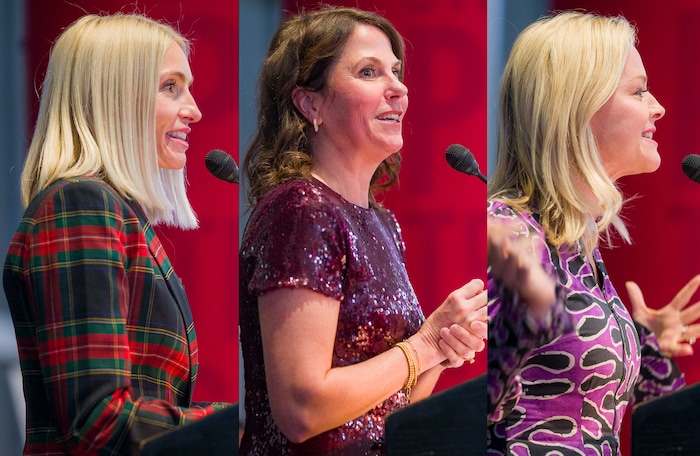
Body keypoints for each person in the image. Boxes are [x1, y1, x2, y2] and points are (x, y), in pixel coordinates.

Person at [239, 6, 487, 455]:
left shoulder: (382, 223)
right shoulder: (300, 211)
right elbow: (302, 410)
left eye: (395, 70)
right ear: (310, 103)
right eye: (369, 72)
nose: (399, 88)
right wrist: (424, 346)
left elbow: (386, 411)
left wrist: (440, 348)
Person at [2, 13, 230, 455]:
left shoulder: (115, 211)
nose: (195, 110)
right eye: (171, 87)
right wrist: (240, 426)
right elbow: (100, 419)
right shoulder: (81, 206)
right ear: (116, 98)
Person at [487, 11, 700, 455]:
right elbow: (476, 408)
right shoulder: (512, 235)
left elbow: (631, 414)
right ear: (577, 106)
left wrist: (640, 343)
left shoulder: (574, 241)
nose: (657, 106)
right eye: (638, 90)